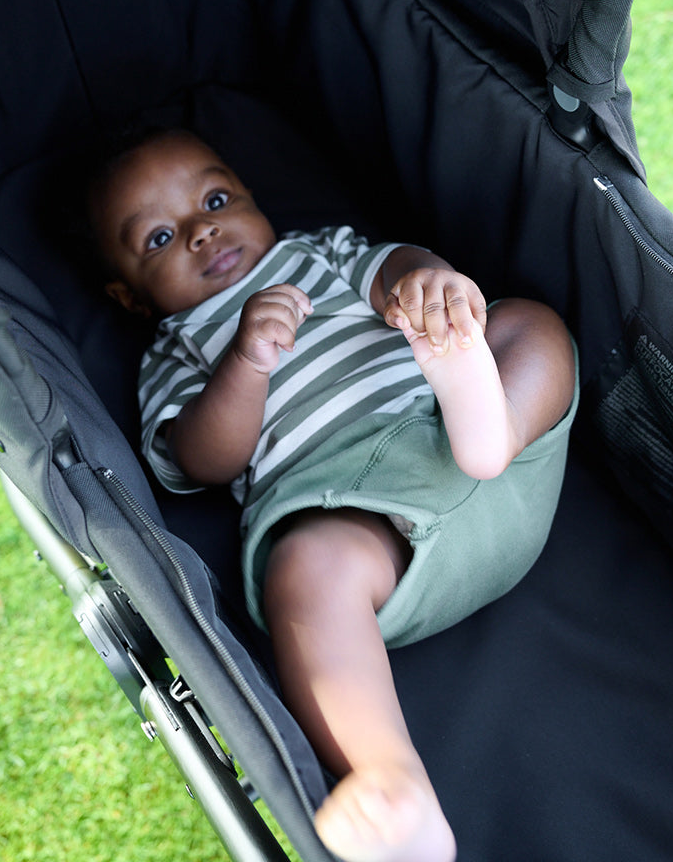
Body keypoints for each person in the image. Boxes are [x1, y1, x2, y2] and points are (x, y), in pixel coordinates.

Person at [86, 127, 578, 862]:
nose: (200, 232)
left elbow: (392, 269)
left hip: (461, 440)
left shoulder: (315, 254)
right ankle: (393, 784)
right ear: (128, 296)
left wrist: (426, 281)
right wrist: (247, 360)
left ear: (254, 200)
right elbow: (203, 460)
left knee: (526, 322)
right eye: (159, 238)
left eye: (215, 200)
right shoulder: (175, 350)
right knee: (305, 569)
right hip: (363, 516)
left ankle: (490, 426)